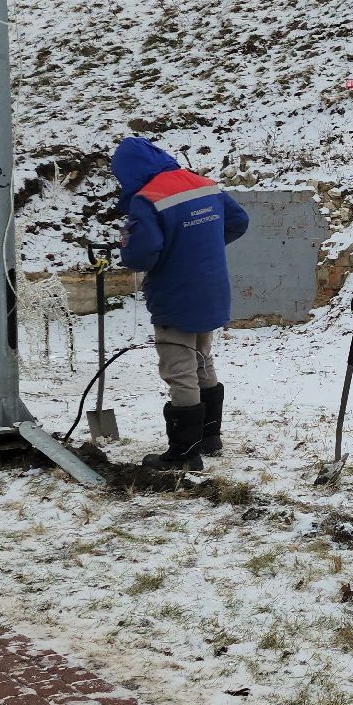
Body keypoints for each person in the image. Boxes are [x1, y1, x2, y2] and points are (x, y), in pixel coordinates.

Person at [112, 136, 249, 472]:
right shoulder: (203, 184)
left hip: (176, 291)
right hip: (211, 287)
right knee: (203, 357)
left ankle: (184, 453)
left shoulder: (148, 198)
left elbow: (142, 253)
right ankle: (208, 437)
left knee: (179, 367)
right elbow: (239, 221)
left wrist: (127, 245)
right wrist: (202, 244)